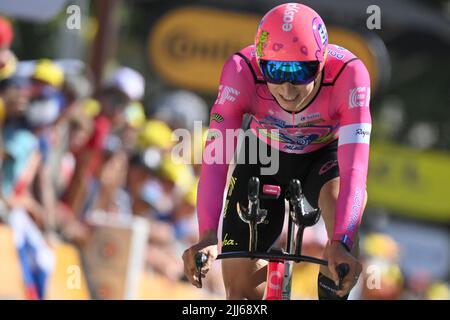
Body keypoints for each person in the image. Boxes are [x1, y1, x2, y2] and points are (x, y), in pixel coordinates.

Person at [183, 3, 371, 300]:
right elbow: (216, 160)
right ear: (260, 64)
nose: (287, 88)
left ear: (321, 63)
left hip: (322, 157)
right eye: (275, 70)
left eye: (300, 73)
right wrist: (207, 235)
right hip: (263, 155)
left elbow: (355, 171)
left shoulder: (350, 75)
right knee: (242, 295)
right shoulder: (240, 70)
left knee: (340, 249)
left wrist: (341, 241)